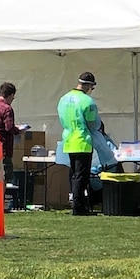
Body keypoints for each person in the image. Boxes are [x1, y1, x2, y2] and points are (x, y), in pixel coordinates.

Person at [57, 71, 99, 215]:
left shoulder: (64, 99)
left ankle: (76, 204)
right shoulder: (87, 101)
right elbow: (93, 124)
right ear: (88, 85)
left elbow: (61, 118)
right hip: (82, 141)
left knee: (73, 174)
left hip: (68, 139)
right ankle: (79, 207)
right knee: (81, 176)